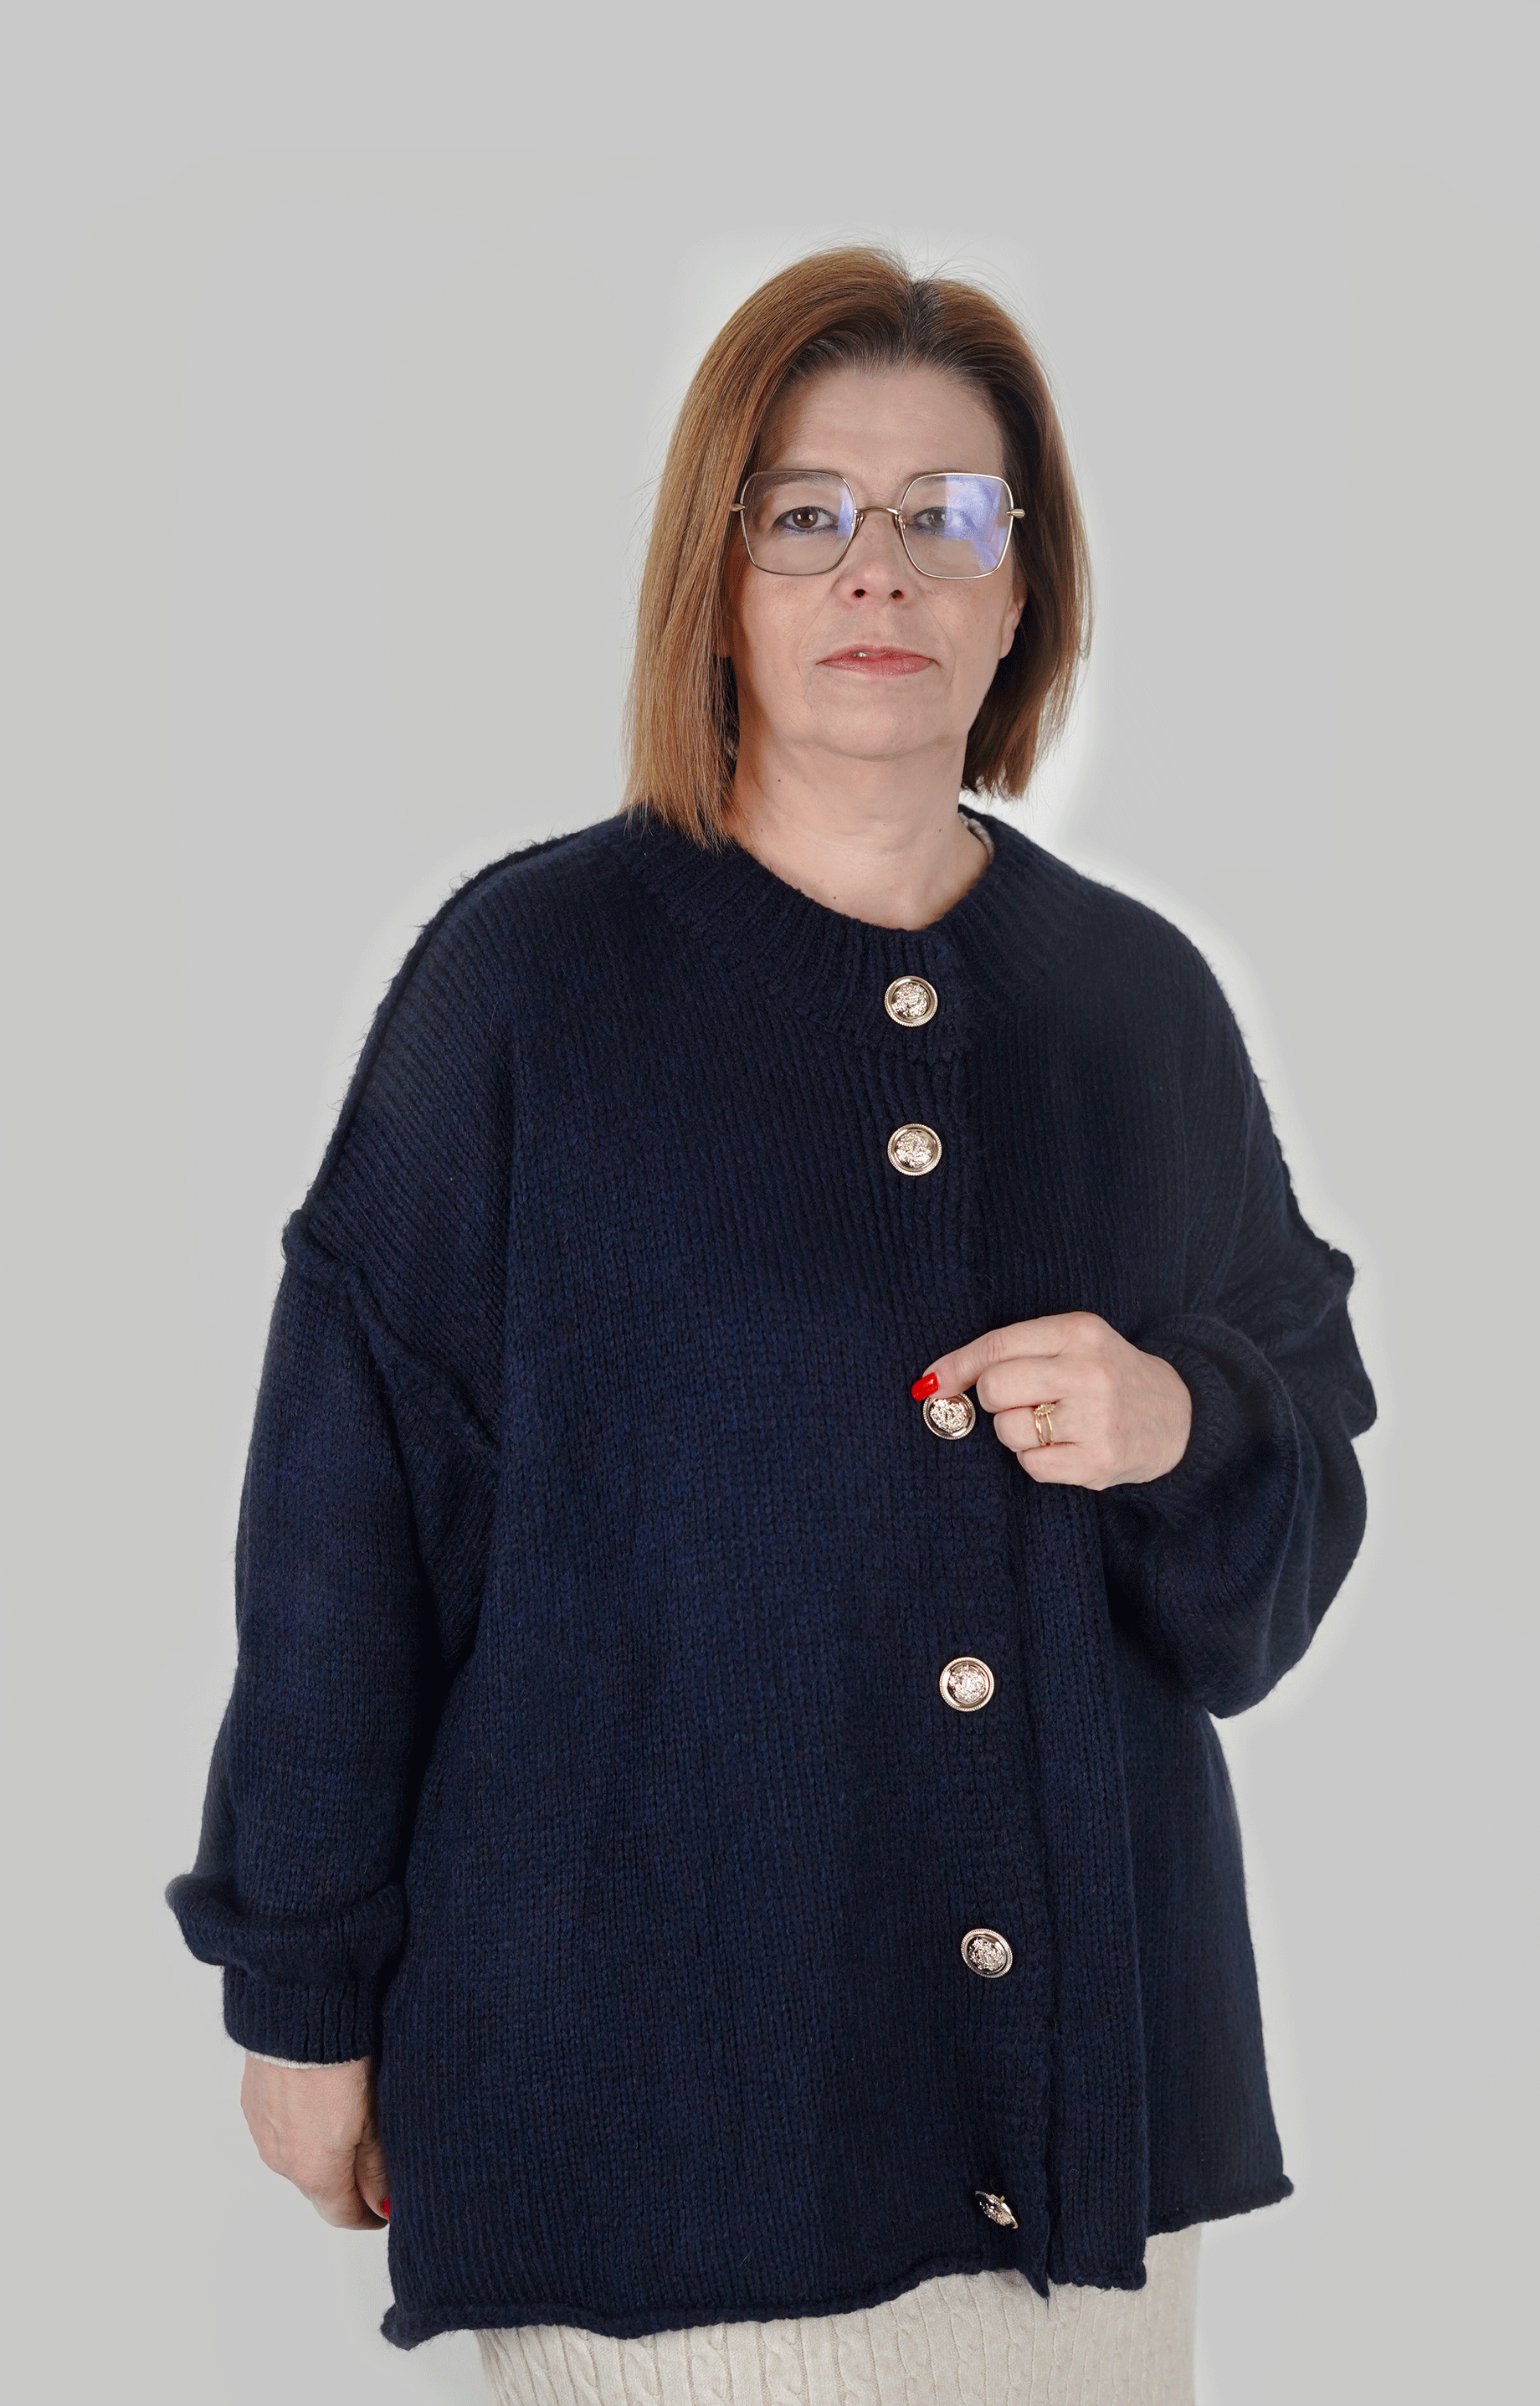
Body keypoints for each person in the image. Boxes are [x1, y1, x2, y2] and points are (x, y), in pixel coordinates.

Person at [168, 247, 1376, 2406]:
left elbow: (1278, 1546)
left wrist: (1181, 1421)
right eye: (805, 512)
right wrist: (303, 1990)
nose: (877, 569)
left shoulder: (1137, 1003)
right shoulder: (526, 982)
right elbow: (348, 1511)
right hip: (653, 2116)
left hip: (1075, 2115)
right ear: (712, 578)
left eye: (947, 513)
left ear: (1025, 587)